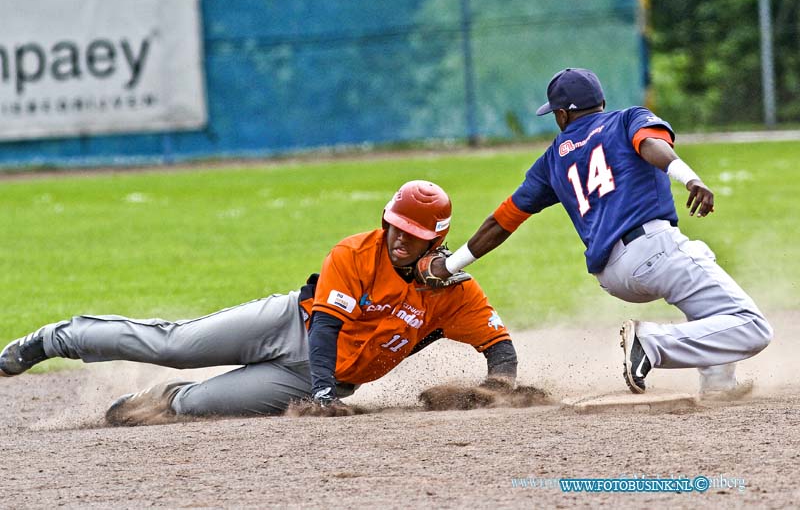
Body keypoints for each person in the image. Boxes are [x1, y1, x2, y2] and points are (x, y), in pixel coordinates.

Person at [0, 180, 517, 424]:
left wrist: (501, 390)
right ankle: (55, 338)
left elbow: (499, 347)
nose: (399, 241)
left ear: (436, 240)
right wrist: (321, 396)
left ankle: (160, 398)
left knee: (193, 406)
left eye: (412, 235)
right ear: (385, 221)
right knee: (174, 342)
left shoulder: (453, 295)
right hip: (289, 325)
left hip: (318, 378)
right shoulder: (356, 253)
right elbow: (325, 331)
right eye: (395, 228)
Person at [423, 68, 772, 397]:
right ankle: (651, 344)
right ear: (601, 103)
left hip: (613, 275)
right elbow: (652, 145)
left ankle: (718, 384)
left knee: (709, 301)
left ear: (561, 115)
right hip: (653, 249)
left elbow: (502, 221)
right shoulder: (626, 119)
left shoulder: (552, 160)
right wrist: (690, 177)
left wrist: (449, 265)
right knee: (751, 327)